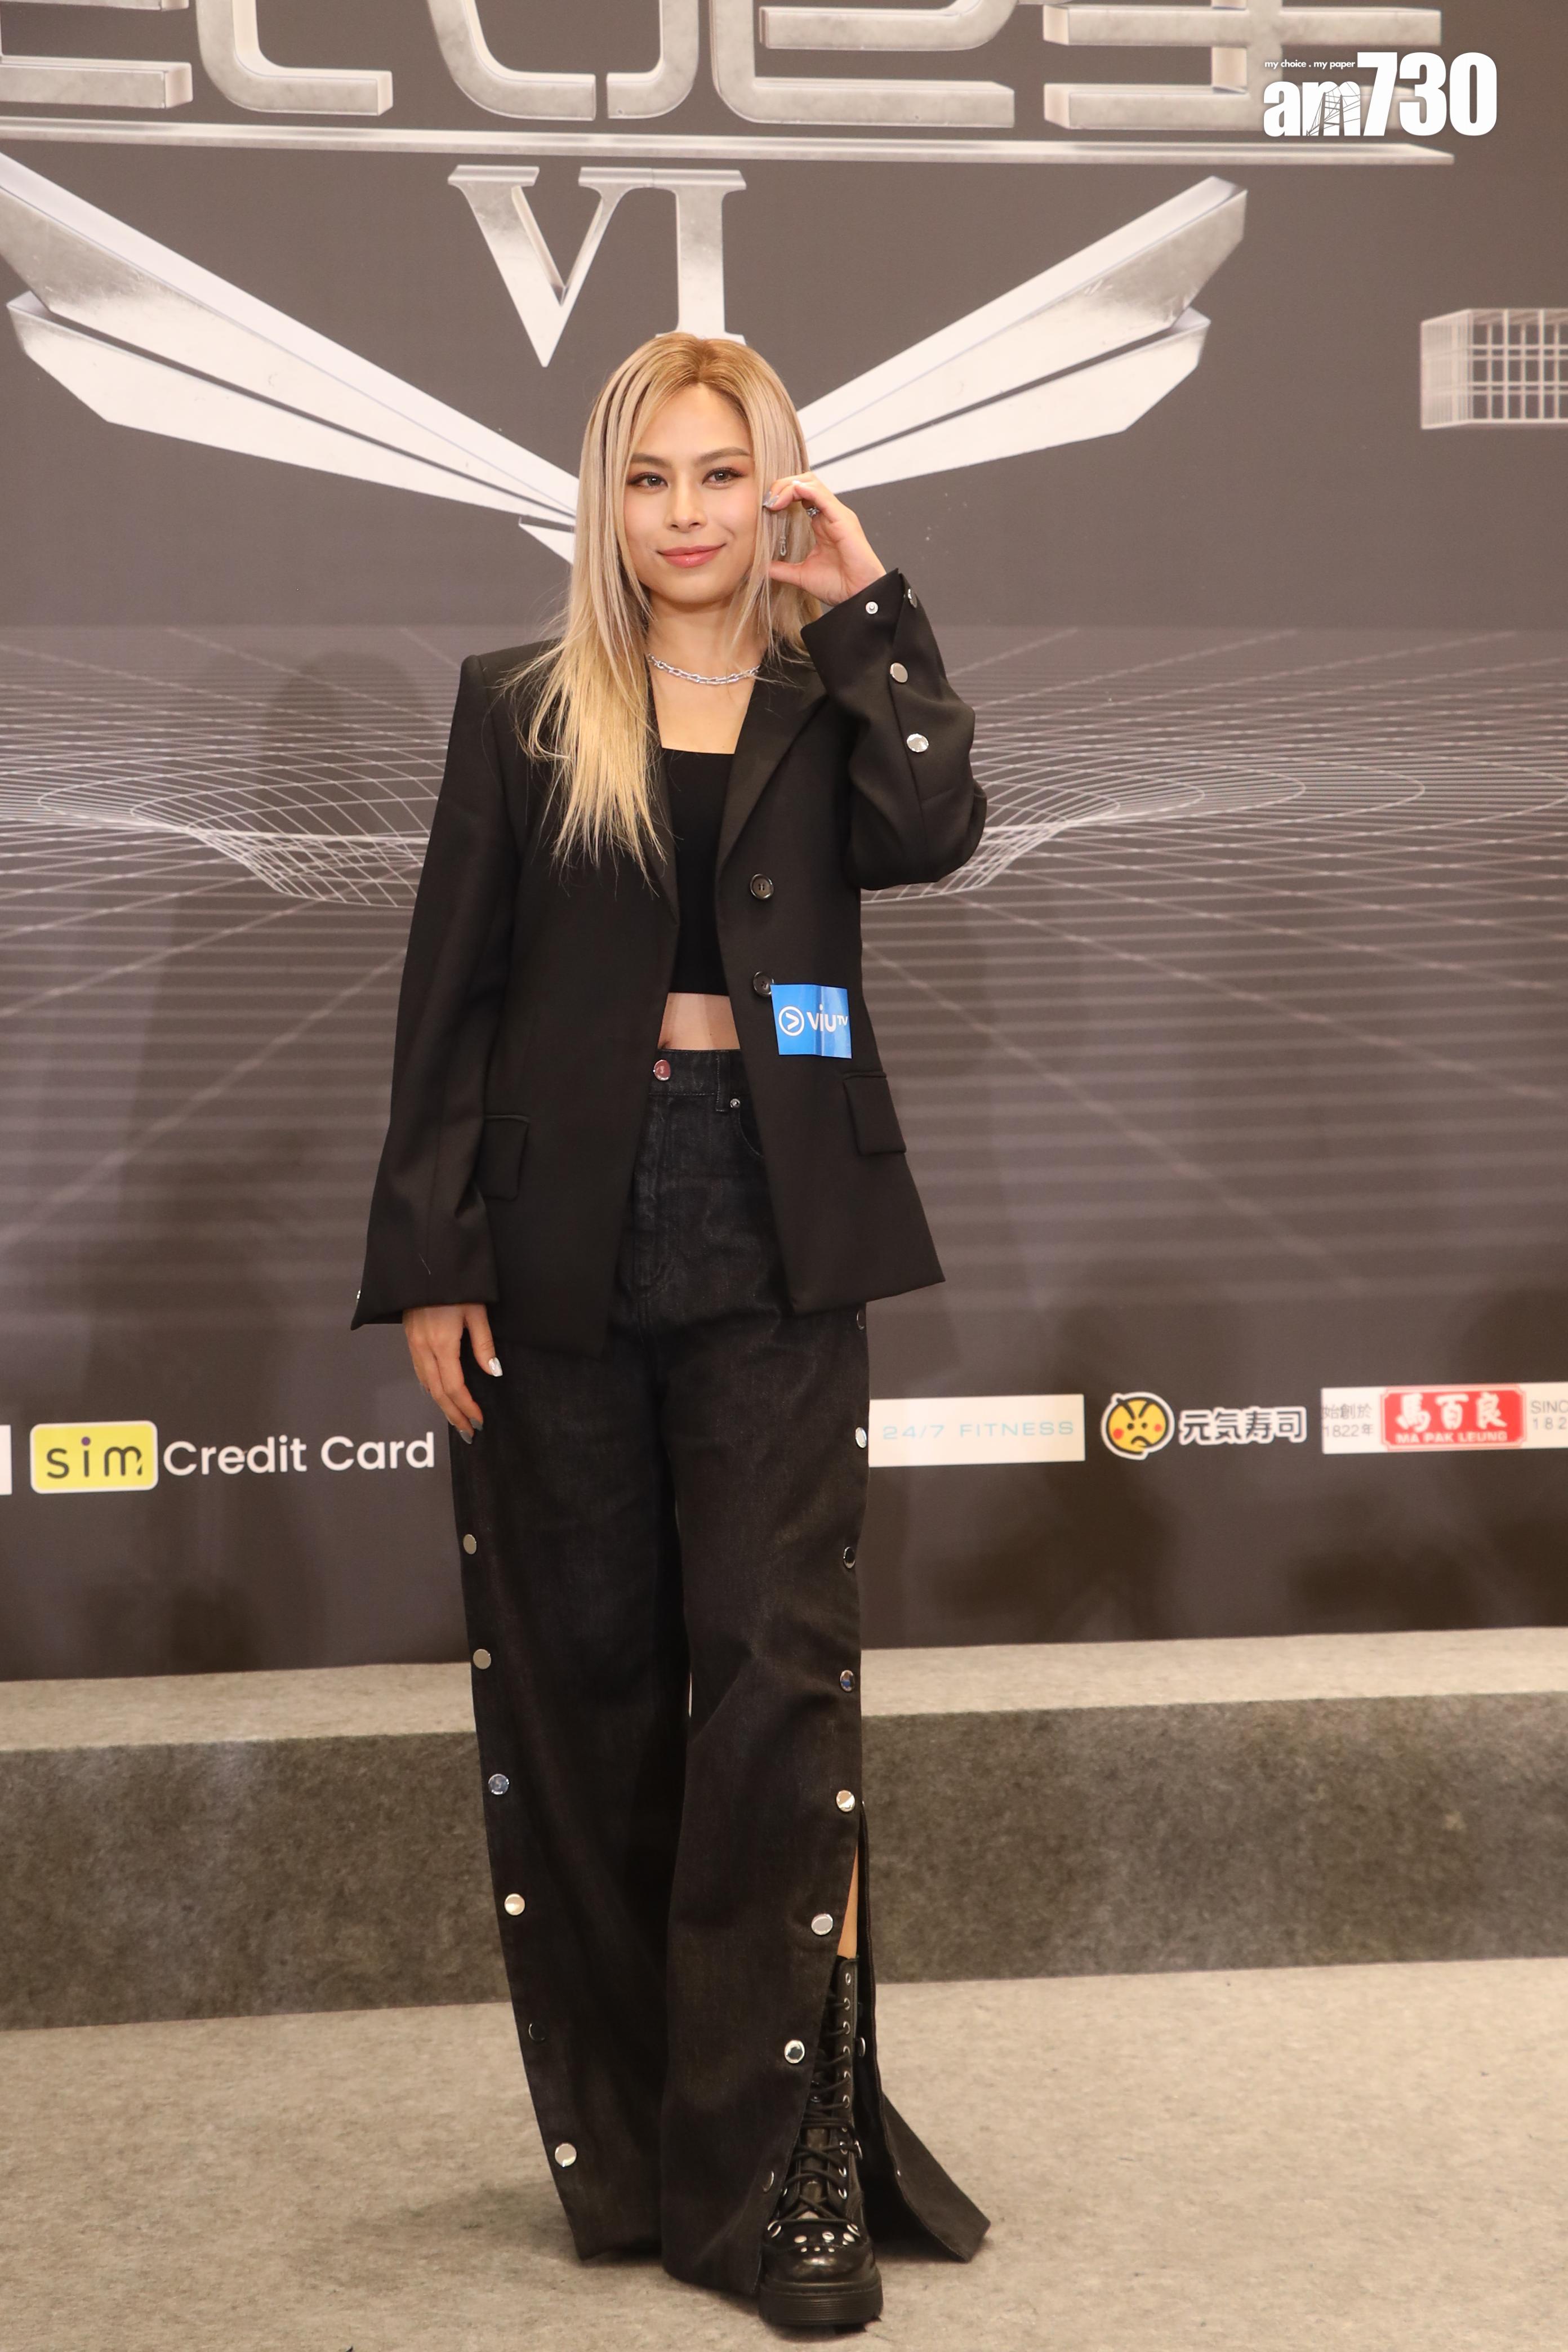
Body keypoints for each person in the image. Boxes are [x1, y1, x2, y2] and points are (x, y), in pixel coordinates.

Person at [353, 332, 988, 2331]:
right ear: (604, 502)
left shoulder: (830, 696)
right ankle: (646, 2153)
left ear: (775, 491)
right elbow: (450, 999)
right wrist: (431, 1254)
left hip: (781, 1223)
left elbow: (938, 826)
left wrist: (867, 604)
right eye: (651, 478)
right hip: (560, 1241)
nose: (687, 515)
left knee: (781, 1683)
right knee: (596, 1689)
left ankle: (789, 2166)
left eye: (724, 476)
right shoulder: (522, 705)